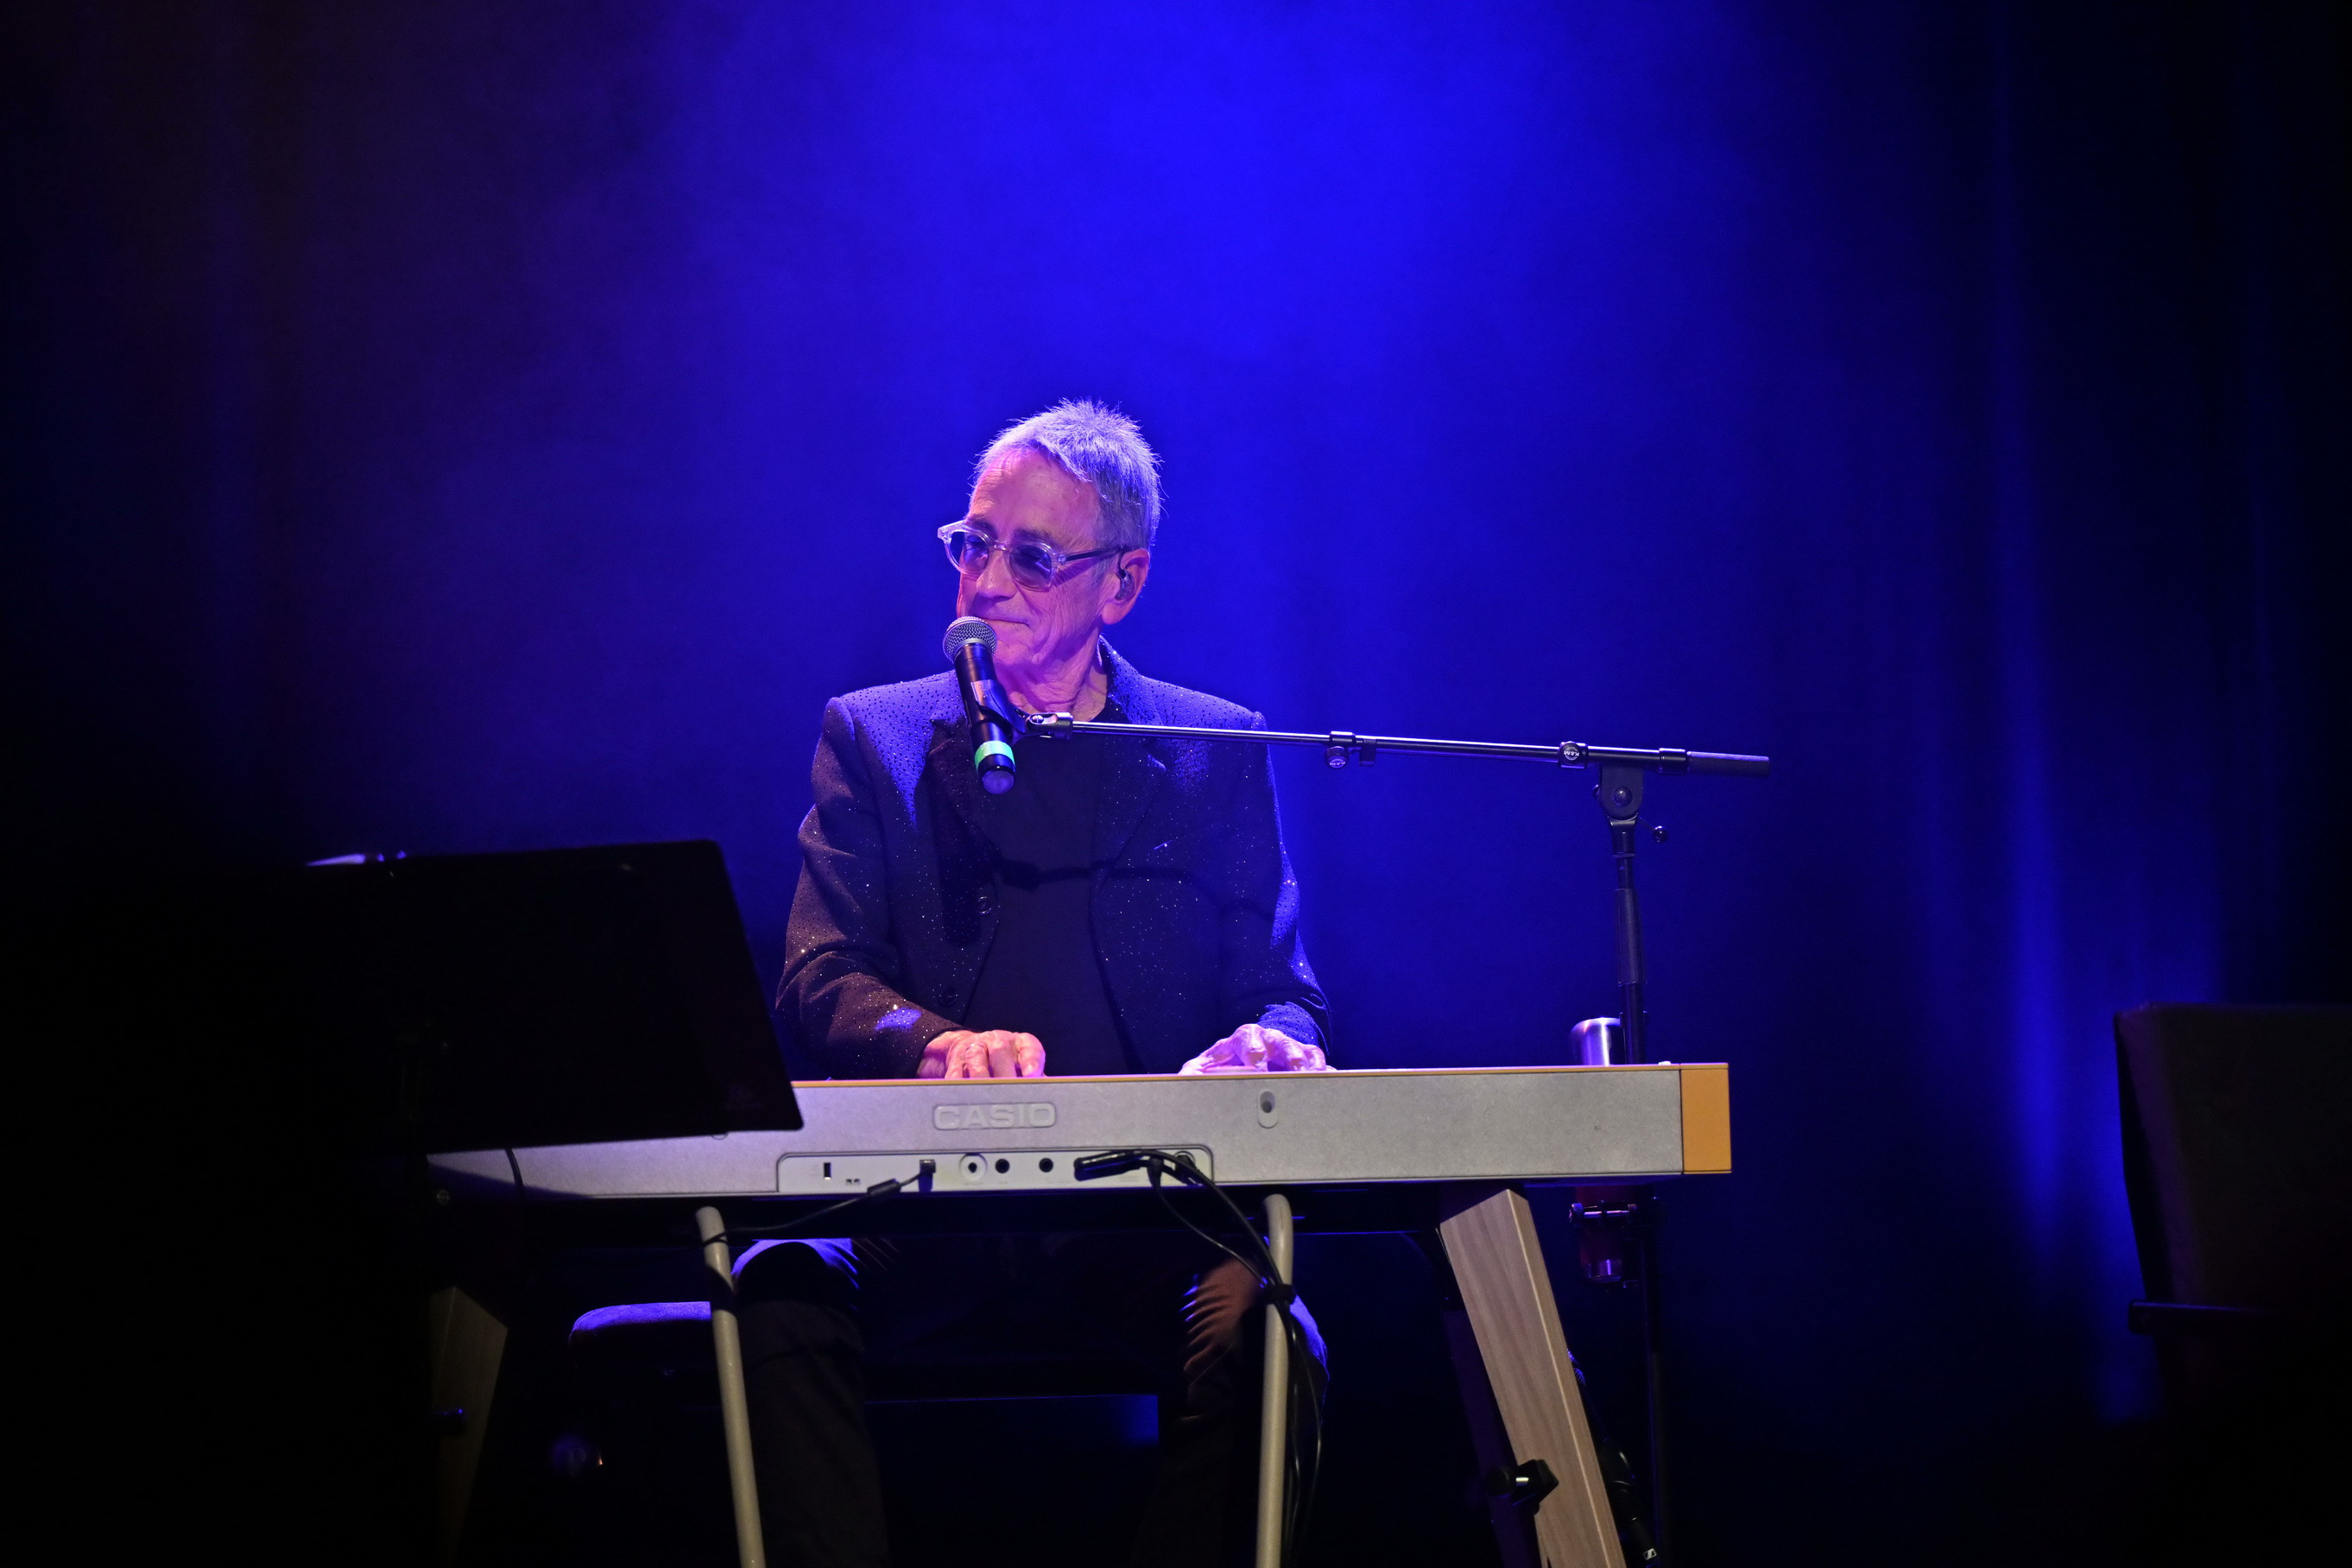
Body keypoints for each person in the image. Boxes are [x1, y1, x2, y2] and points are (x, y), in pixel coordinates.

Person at [740, 401, 1332, 1567]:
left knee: (1268, 1328)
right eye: (972, 543)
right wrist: (932, 1039)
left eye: (1032, 557)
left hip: (1135, 1220)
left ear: (1122, 584)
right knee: (775, 1292)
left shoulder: (1214, 748)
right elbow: (816, 973)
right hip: (920, 1215)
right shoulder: (879, 736)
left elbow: (1287, 992)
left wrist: (1267, 1041)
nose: (987, 578)